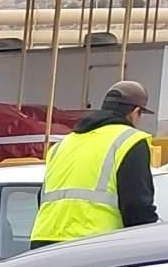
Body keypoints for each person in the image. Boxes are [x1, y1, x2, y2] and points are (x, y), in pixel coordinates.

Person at [29, 80, 156, 245]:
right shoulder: (130, 141)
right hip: (94, 243)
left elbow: (42, 197)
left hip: (44, 241)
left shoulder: (64, 144)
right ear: (135, 112)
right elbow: (137, 205)